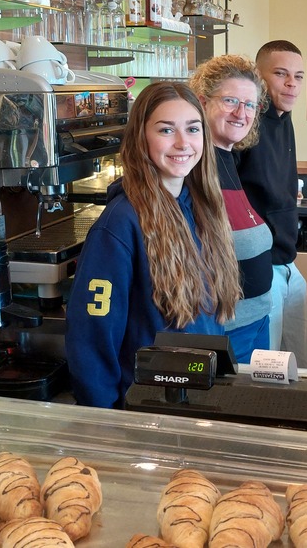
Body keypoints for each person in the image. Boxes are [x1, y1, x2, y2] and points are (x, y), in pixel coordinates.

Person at [65, 82, 242, 408]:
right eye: (165, 130)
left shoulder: (201, 207)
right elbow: (90, 340)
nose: (182, 143)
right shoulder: (119, 225)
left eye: (192, 129)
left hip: (191, 399)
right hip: (142, 408)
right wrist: (106, 421)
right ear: (140, 138)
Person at [235, 40, 307, 369]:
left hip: (286, 260)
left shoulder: (284, 119)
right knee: (266, 368)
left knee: (304, 364)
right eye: (281, 74)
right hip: (259, 265)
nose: (292, 84)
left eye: (299, 76)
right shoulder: (247, 122)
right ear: (258, 76)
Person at [190, 55, 274, 363]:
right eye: (230, 101)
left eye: (250, 104)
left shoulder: (226, 159)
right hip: (224, 331)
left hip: (255, 320)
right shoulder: (194, 167)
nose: (242, 113)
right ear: (202, 102)